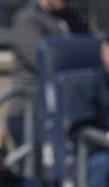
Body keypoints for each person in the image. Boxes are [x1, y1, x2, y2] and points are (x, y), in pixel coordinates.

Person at [7, 0, 87, 147]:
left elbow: (91, 55)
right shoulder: (27, 19)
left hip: (70, 110)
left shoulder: (73, 19)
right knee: (35, 166)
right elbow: (45, 61)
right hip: (30, 112)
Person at [84, 34, 109, 187]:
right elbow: (80, 129)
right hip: (100, 150)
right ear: (103, 51)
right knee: (102, 163)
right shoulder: (89, 84)